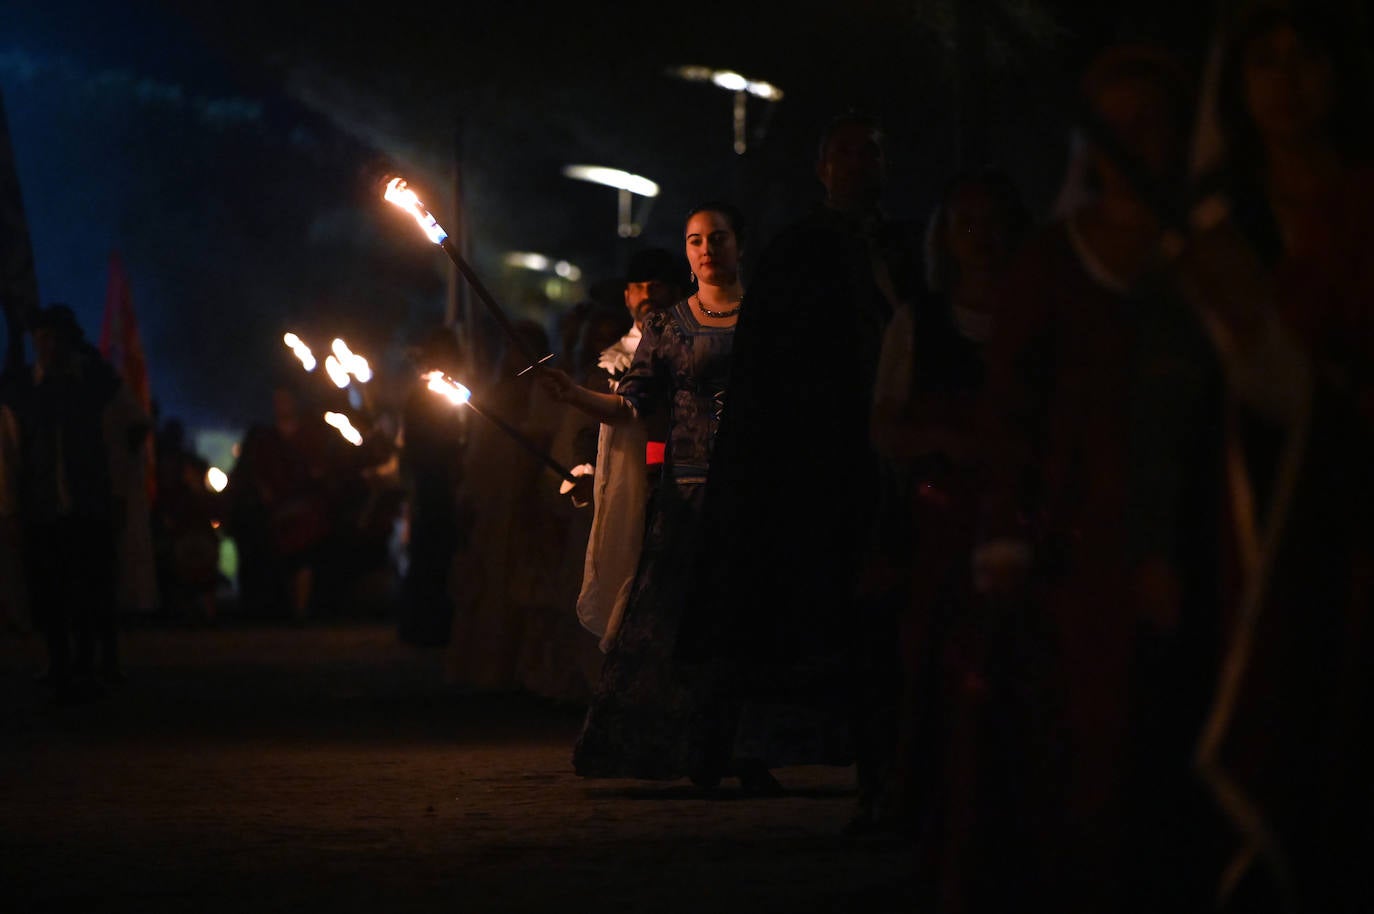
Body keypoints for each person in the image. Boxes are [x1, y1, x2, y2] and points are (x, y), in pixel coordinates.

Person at [970, 44, 1209, 913]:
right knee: (1094, 755)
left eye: (1152, 122)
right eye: (1119, 123)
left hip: (1207, 530)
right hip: (1082, 545)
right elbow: (1012, 407)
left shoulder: (1210, 255)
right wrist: (1005, 528)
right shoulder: (1051, 261)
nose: (1136, 141)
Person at [683, 112, 922, 829]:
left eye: (870, 152)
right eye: (846, 153)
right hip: (821, 456)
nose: (858, 165)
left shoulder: (908, 247)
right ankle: (739, 746)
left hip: (899, 453)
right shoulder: (799, 250)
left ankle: (889, 770)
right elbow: (773, 367)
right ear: (823, 166)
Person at [539, 202, 777, 790]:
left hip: (752, 493)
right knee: (675, 623)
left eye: (718, 238)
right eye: (696, 240)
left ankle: (748, 749)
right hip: (688, 497)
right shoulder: (668, 327)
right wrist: (572, 394)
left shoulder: (772, 319)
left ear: (739, 245)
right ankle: (682, 748)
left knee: (749, 622)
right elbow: (631, 407)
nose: (707, 249)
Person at [868, 169, 1032, 865]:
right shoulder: (920, 322)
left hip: (1026, 522)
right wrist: (943, 444)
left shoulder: (1037, 313)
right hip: (942, 528)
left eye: (992, 222)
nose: (982, 238)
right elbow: (885, 422)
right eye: (967, 224)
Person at [563, 248, 681, 645]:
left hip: (686, 486)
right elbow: (589, 428)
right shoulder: (610, 361)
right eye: (638, 286)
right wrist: (584, 468)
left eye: (656, 285)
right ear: (627, 296)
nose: (646, 293)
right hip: (629, 487)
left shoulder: (690, 350)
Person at [13, 304, 125, 702]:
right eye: (40, 338)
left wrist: (115, 493)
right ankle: (61, 660)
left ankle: (87, 660)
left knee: (89, 585)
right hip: (44, 504)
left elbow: (119, 435)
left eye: (52, 338)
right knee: (49, 586)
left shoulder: (92, 384)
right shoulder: (26, 388)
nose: (45, 346)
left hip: (87, 501)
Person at [397, 326, 470, 647]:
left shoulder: (450, 390)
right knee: (429, 553)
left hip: (445, 480)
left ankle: (436, 623)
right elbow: (416, 443)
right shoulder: (423, 394)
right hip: (432, 481)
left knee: (442, 556)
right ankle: (423, 626)